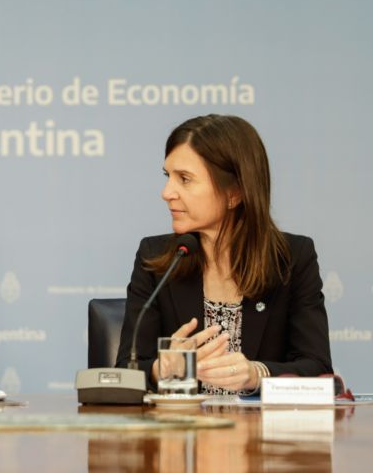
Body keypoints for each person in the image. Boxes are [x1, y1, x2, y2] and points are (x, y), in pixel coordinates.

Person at [115, 114, 332, 394]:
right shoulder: (156, 259)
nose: (167, 193)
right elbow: (126, 370)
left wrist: (257, 375)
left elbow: (318, 368)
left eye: (185, 179)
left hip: (261, 423)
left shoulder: (292, 259)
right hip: (181, 423)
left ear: (235, 193)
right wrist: (161, 369)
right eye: (168, 176)